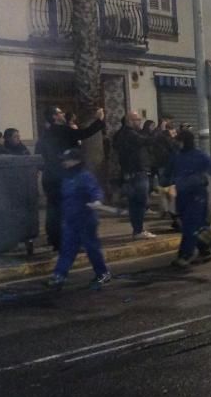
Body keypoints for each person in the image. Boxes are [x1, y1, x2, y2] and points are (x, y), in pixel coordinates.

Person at [39, 106, 106, 251]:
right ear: (55, 117)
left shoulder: (46, 134)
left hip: (50, 176)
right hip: (63, 176)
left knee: (54, 210)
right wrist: (99, 120)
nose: (63, 114)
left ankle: (55, 240)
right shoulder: (62, 130)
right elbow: (84, 133)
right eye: (60, 113)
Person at [45, 148, 111, 288]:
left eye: (67, 159)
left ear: (76, 160)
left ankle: (103, 273)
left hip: (85, 219)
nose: (64, 162)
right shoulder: (67, 177)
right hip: (71, 220)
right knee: (67, 249)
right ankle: (59, 275)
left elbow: (95, 190)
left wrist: (97, 200)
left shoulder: (85, 176)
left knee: (92, 248)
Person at [168, 130, 211, 268]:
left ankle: (185, 255)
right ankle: (206, 250)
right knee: (199, 226)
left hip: (196, 196)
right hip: (183, 196)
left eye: (179, 141)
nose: (177, 143)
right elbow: (168, 174)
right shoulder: (177, 157)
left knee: (190, 226)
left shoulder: (198, 156)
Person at [113, 110, 156, 239]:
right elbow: (147, 141)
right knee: (140, 202)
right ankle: (139, 230)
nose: (140, 121)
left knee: (134, 203)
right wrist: (155, 131)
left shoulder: (122, 134)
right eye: (137, 119)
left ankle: (137, 230)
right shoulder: (130, 134)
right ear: (130, 121)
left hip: (130, 173)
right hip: (137, 172)